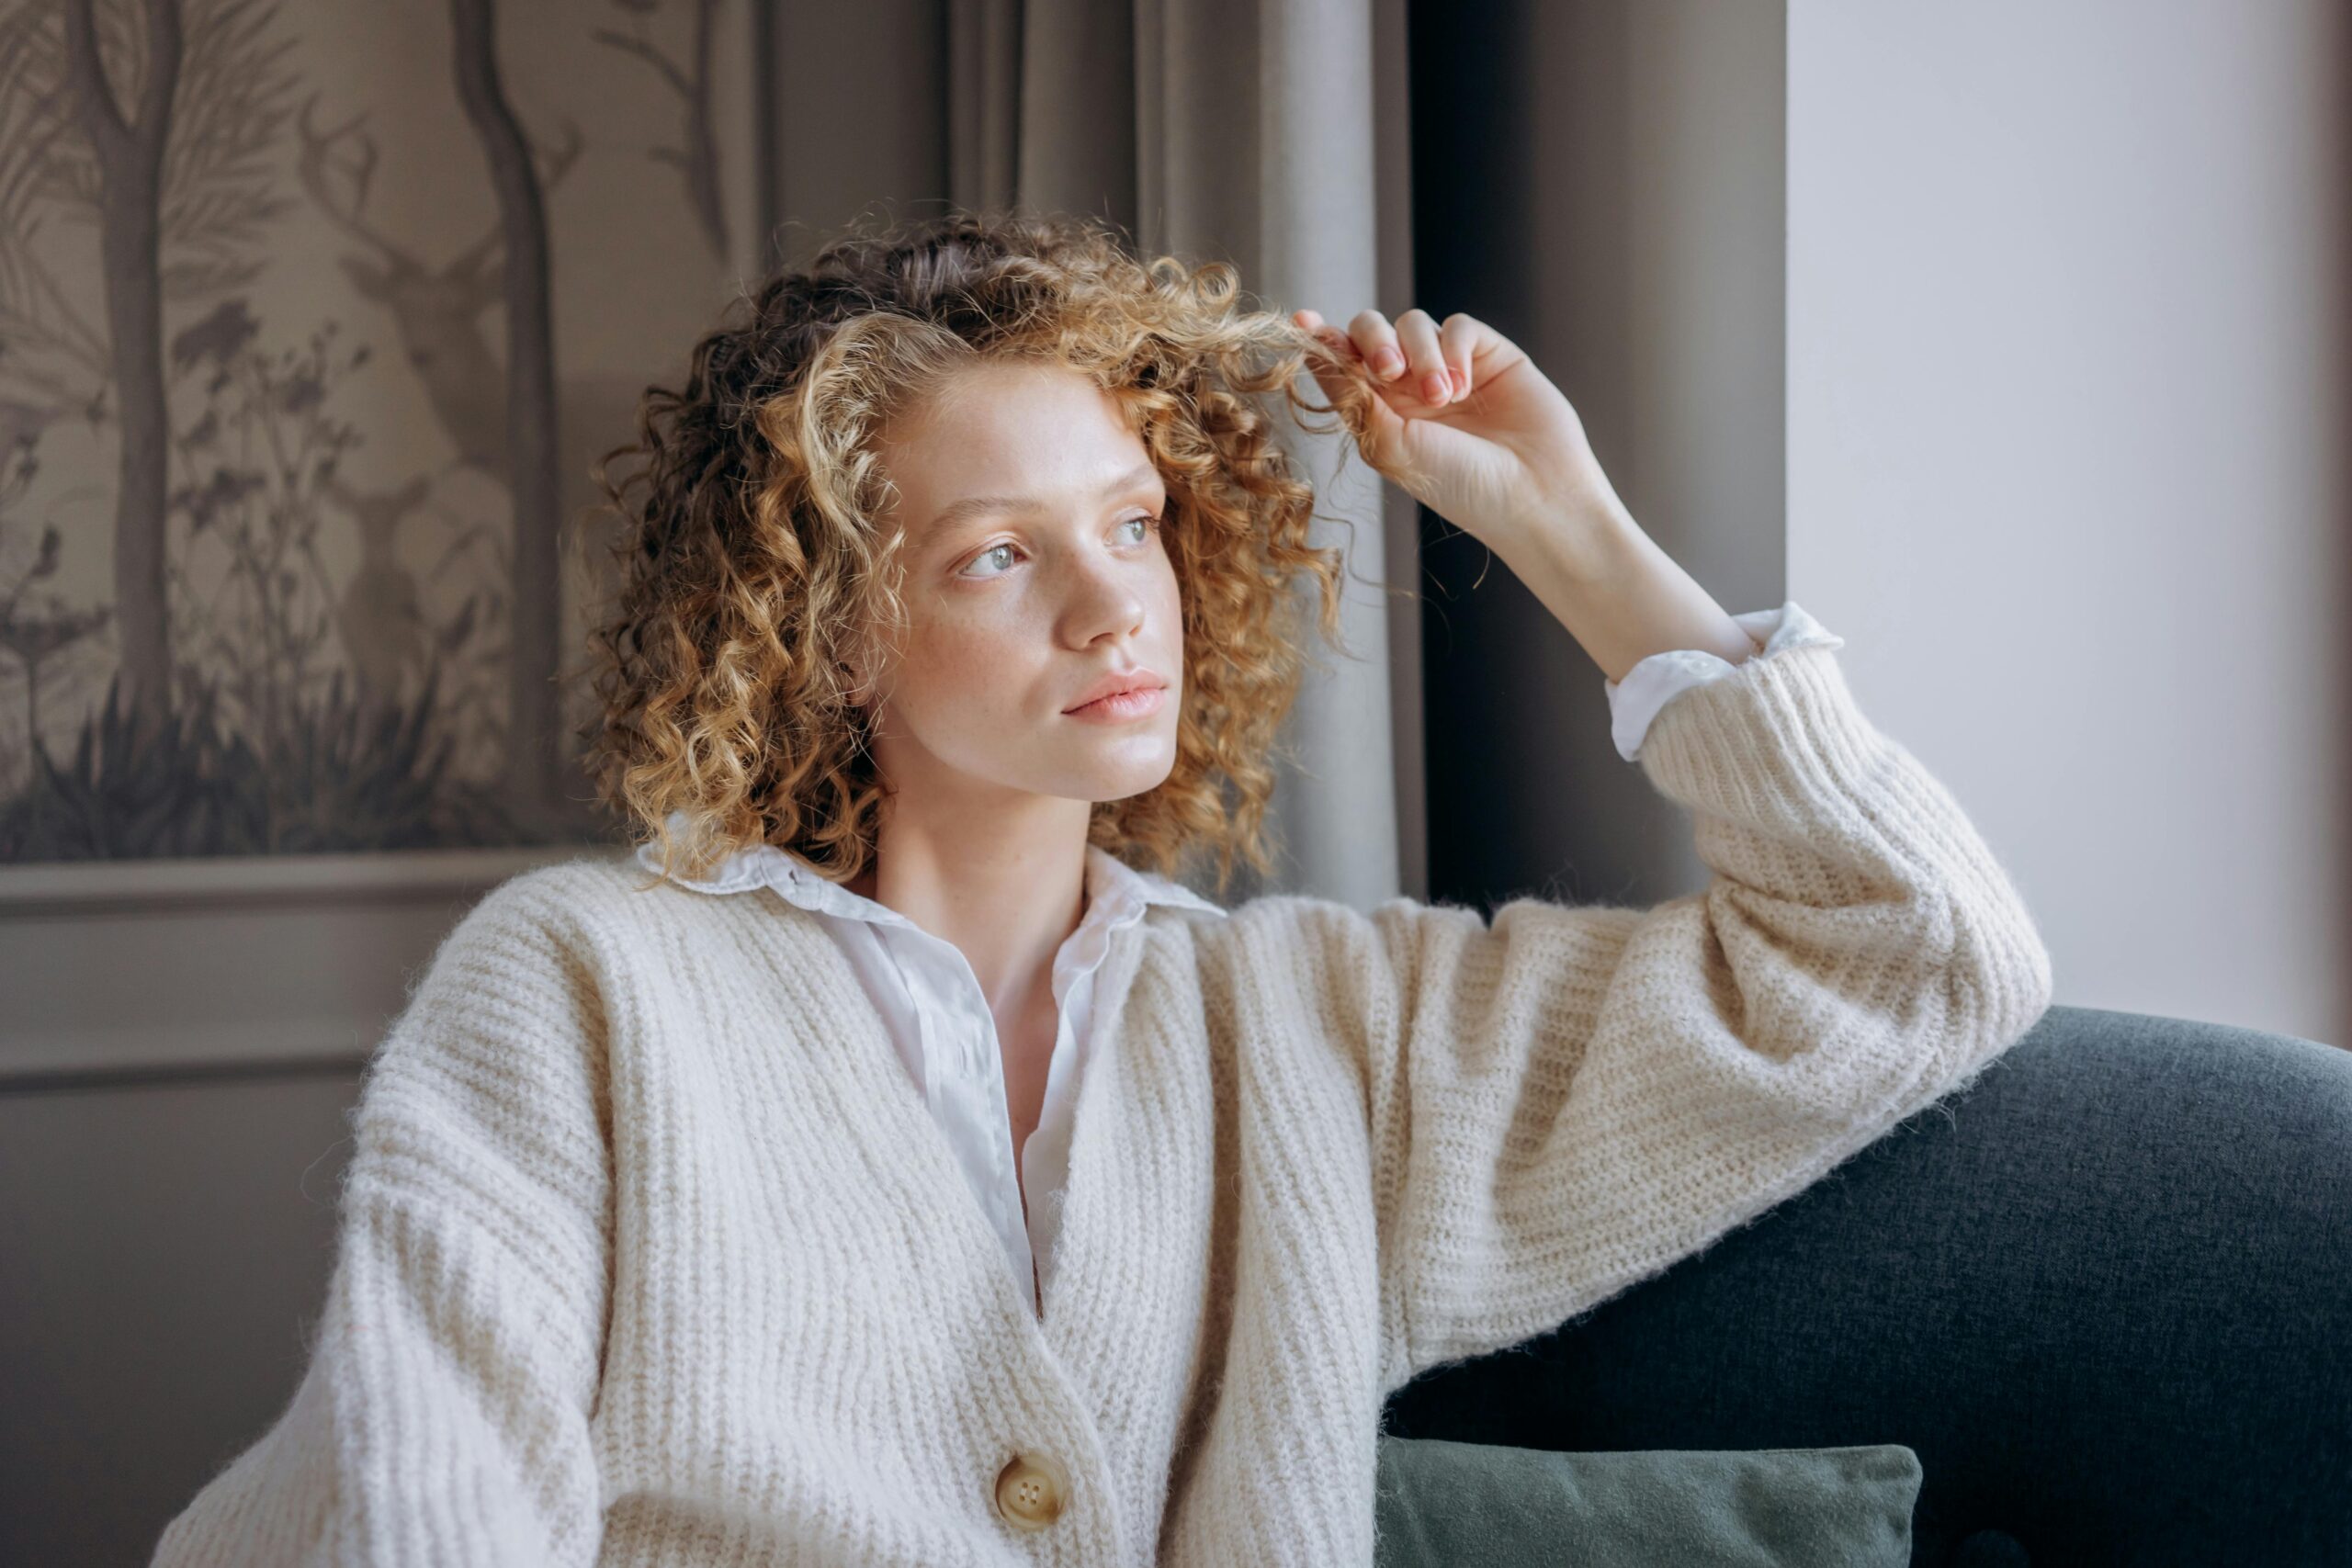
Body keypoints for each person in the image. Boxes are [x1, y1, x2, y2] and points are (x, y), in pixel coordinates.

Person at [150, 208, 2053, 1566]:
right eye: (997, 554)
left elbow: (1910, 955)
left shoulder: (1320, 1041)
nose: (1108, 604)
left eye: (1131, 524)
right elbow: (434, 1514)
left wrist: (1572, 530)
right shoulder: (582, 987)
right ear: (831, 631)